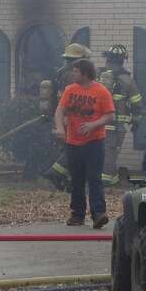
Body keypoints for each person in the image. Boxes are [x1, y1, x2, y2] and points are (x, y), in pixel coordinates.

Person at [52, 58, 115, 228]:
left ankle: (99, 214)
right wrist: (60, 128)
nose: (73, 73)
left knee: (94, 179)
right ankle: (77, 215)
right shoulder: (70, 90)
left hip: (94, 143)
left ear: (85, 73)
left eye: (76, 71)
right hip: (73, 142)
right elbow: (60, 110)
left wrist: (93, 124)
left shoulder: (101, 92)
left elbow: (110, 115)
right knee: (76, 179)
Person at [41, 43, 93, 192]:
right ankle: (56, 173)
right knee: (76, 149)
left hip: (60, 117)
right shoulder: (74, 76)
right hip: (70, 118)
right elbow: (77, 98)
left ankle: (69, 181)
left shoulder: (60, 72)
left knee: (69, 149)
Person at [98, 45, 144, 174]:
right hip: (115, 125)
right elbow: (136, 102)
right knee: (111, 152)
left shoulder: (97, 76)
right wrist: (136, 120)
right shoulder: (127, 81)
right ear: (123, 60)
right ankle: (106, 179)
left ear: (107, 58)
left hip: (94, 123)